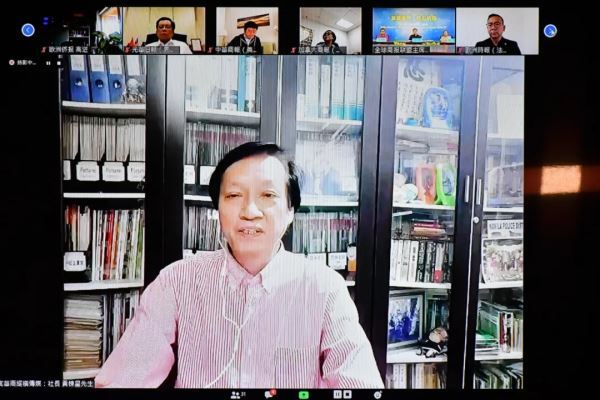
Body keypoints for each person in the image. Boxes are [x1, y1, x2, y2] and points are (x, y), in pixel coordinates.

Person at [95, 142, 384, 388]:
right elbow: (122, 380)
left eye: (268, 195)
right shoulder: (176, 281)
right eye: (234, 196)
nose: (250, 211)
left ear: (290, 212)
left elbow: (359, 384)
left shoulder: (324, 288)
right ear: (218, 209)